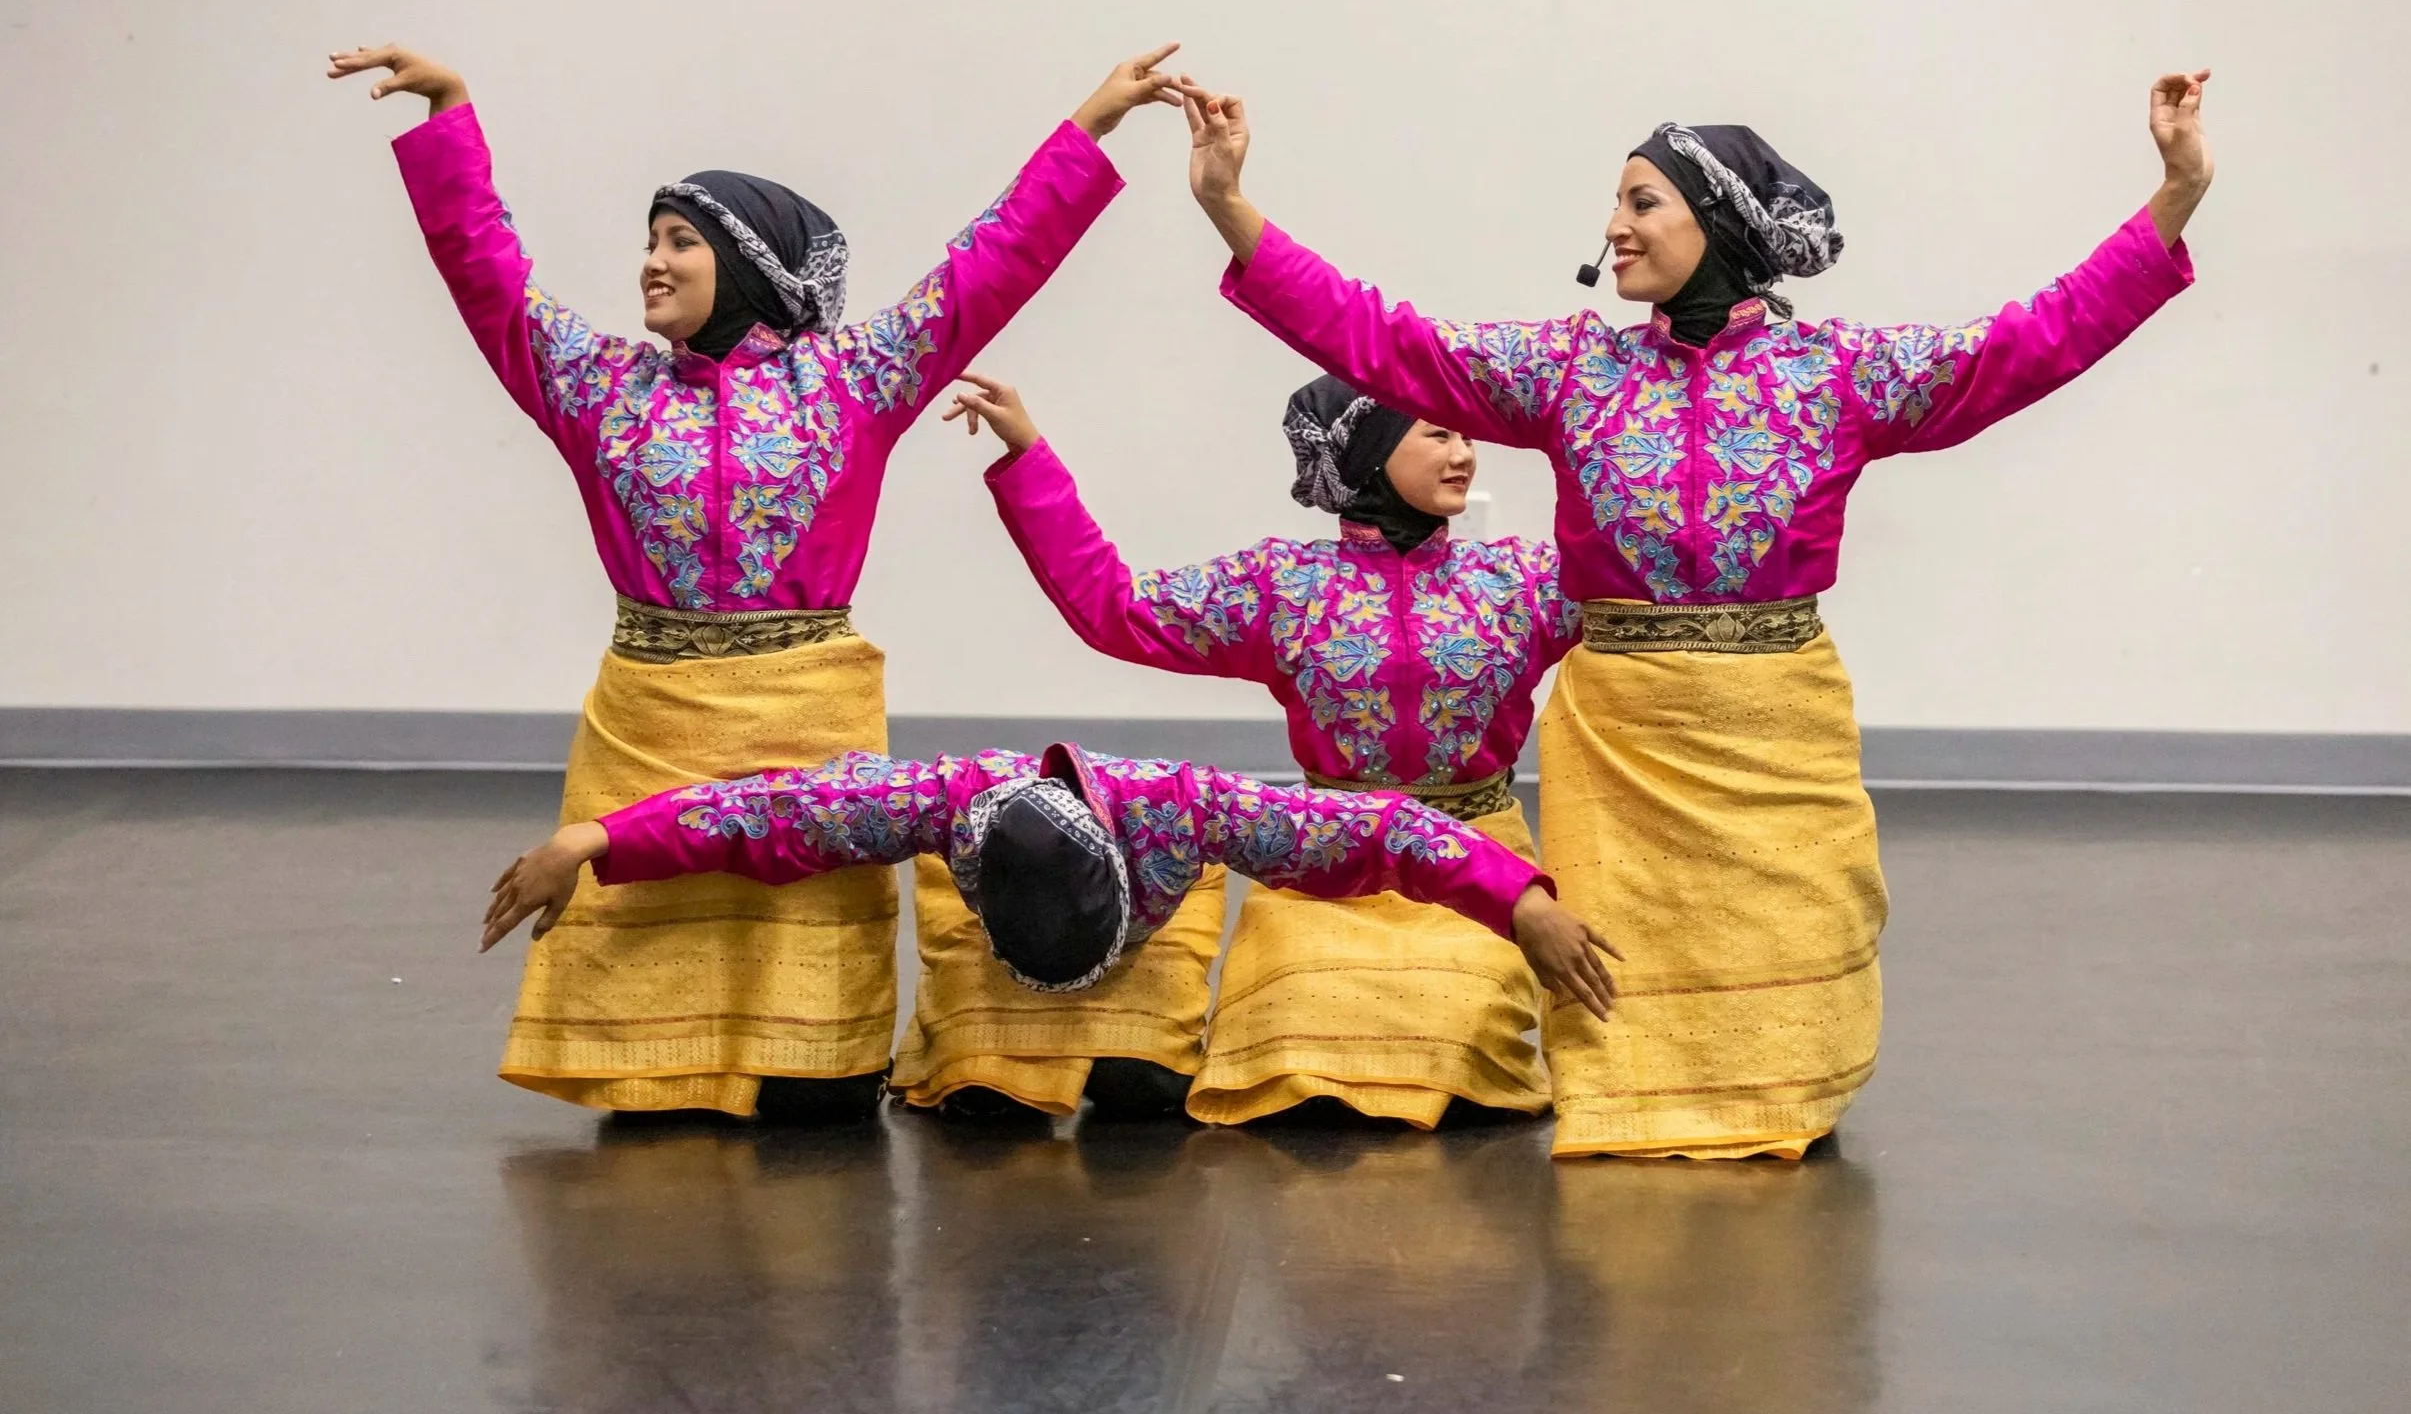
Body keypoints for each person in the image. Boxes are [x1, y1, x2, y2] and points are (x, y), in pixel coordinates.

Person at [1177, 70, 2212, 1158]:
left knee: (1797, 958)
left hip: (1777, 731)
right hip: (1623, 739)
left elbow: (2025, 344)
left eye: (1640, 202)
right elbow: (1384, 340)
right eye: (1616, 205)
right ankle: (1631, 1105)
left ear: (1714, 219)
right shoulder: (1572, 371)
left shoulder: (1832, 373)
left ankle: (1776, 1098)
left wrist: (2174, 194)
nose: (1613, 229)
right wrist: (1228, 206)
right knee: (1621, 978)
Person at [329, 40, 1181, 1122]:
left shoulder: (854, 380)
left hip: (804, 717)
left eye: (680, 239)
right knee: (652, 1087)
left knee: (810, 1086)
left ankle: (823, 1059)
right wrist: (450, 115)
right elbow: (485, 273)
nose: (651, 260)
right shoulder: (597, 387)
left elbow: (989, 265)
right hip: (649, 721)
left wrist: (1090, 124)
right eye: (647, 239)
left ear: (752, 264)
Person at [940, 371, 1582, 1128]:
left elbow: (1658, 583)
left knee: (1456, 1026)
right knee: (1295, 1033)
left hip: (1477, 870)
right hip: (1322, 868)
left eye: (1468, 435)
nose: (1465, 454)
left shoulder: (1522, 581)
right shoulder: (1283, 585)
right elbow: (1114, 610)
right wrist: (1027, 454)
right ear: (1368, 454)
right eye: (1439, 434)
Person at [480, 744, 1623, 1031]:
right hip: (996, 932)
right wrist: (596, 839)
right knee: (989, 1106)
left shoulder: (1196, 810)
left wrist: (1519, 899)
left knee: (1131, 1093)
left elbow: (1374, 828)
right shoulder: (944, 798)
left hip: (1157, 917)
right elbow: (776, 811)